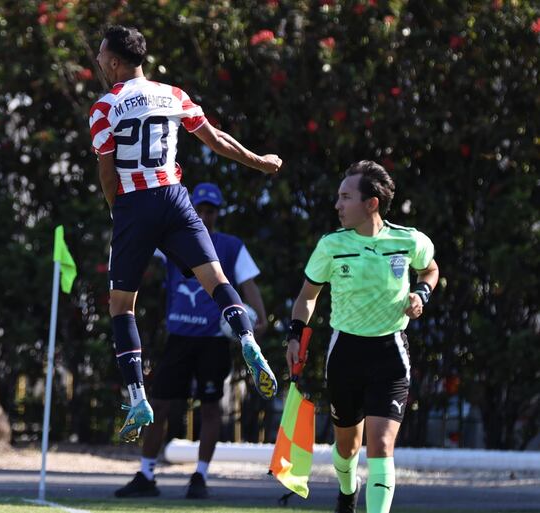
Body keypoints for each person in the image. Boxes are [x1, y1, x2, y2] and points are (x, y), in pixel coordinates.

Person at [90, 25, 282, 442]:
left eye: (103, 56)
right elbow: (215, 140)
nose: (100, 62)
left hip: (134, 205)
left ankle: (137, 395)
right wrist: (260, 162)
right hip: (176, 198)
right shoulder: (173, 94)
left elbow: (107, 172)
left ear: (116, 62)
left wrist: (117, 213)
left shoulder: (105, 106)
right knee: (216, 279)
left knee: (122, 307)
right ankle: (247, 338)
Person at [285, 161, 439, 513]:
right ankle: (346, 491)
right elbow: (308, 296)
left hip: (390, 354)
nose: (337, 205)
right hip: (345, 355)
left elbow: (430, 268)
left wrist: (421, 295)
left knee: (381, 445)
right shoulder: (331, 246)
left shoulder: (408, 239)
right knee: (347, 447)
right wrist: (295, 337)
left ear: (371, 203)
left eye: (345, 197)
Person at [114, 182, 267, 499]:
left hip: (213, 341)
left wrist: (260, 321)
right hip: (179, 338)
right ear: (192, 209)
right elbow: (145, 246)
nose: (205, 215)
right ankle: (146, 474)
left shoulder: (231, 246)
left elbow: (247, 285)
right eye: (200, 209)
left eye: (211, 211)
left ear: (218, 214)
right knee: (159, 405)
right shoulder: (175, 235)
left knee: (211, 410)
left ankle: (200, 476)